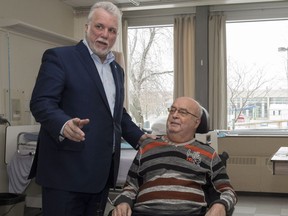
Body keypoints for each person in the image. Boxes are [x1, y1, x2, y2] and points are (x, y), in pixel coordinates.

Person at [29, 2, 154, 216]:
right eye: (99, 27)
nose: (105, 35)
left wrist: (142, 139)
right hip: (66, 174)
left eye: (112, 30)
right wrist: (63, 123)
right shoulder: (60, 58)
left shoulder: (117, 70)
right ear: (86, 27)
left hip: (101, 175)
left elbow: (117, 115)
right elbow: (41, 102)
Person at [111, 97, 237, 216]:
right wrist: (124, 201)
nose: (174, 115)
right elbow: (131, 186)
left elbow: (227, 191)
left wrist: (221, 205)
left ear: (196, 122)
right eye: (172, 110)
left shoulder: (208, 153)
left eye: (183, 112)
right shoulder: (147, 147)